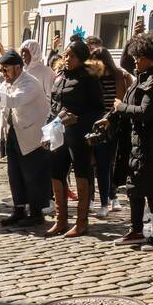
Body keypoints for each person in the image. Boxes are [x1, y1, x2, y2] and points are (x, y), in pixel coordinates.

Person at [101, 32, 153, 250]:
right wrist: (110, 117)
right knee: (134, 189)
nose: (136, 59)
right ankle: (136, 230)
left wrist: (121, 108)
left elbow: (146, 111)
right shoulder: (144, 75)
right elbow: (126, 101)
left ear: (152, 56)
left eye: (140, 55)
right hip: (138, 143)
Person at [0, 51, 52, 227]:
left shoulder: (30, 83)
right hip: (12, 133)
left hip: (32, 136)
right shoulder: (6, 84)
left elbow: (14, 101)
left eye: (6, 70)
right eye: (1, 70)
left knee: (32, 175)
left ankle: (36, 212)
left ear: (17, 67)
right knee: (15, 174)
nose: (3, 74)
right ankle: (19, 209)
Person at [46, 41, 105, 237]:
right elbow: (53, 106)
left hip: (78, 133)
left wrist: (79, 119)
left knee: (81, 173)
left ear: (81, 58)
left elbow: (98, 109)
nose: (67, 59)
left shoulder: (88, 78)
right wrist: (46, 132)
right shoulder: (60, 76)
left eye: (71, 56)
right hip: (58, 132)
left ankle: (81, 221)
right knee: (56, 173)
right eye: (66, 55)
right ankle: (60, 219)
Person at [87, 42, 131, 218]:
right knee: (96, 165)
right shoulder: (93, 78)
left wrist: (109, 118)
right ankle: (104, 199)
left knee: (105, 165)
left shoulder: (118, 76)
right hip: (95, 123)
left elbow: (118, 102)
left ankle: (106, 201)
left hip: (112, 124)